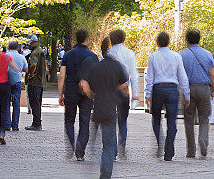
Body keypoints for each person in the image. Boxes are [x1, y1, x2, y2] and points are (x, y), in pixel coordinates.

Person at [81, 37, 129, 179]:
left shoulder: (95, 68)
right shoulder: (117, 66)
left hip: (97, 108)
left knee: (94, 139)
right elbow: (124, 85)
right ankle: (105, 173)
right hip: (110, 109)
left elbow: (85, 85)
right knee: (108, 145)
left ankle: (90, 158)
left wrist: (92, 96)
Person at [145, 31, 190, 161]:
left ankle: (160, 141)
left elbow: (150, 77)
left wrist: (148, 94)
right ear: (168, 42)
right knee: (172, 121)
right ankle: (169, 151)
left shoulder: (153, 56)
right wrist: (186, 94)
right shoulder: (176, 56)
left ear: (157, 43)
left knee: (156, 119)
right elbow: (182, 76)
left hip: (158, 89)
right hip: (172, 89)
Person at [180, 28, 214, 159]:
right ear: (199, 39)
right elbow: (212, 74)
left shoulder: (181, 55)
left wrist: (181, 92)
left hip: (188, 89)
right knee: (204, 118)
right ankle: (203, 139)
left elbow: (179, 75)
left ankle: (191, 150)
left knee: (189, 119)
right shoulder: (207, 54)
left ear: (187, 40)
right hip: (204, 89)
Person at [59, 29, 97, 160]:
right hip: (87, 91)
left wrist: (60, 94)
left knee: (69, 120)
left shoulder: (68, 55)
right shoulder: (93, 56)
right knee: (84, 121)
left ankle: (71, 144)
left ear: (76, 39)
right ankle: (80, 152)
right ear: (86, 39)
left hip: (70, 89)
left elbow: (62, 76)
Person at [107, 29, 139, 159]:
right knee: (123, 120)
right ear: (123, 39)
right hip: (124, 90)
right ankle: (122, 143)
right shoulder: (130, 53)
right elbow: (134, 76)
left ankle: (113, 149)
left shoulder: (106, 53)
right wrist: (135, 95)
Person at [24, 35, 49, 131]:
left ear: (35, 42)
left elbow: (33, 64)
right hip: (39, 82)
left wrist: (30, 74)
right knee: (37, 103)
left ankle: (37, 123)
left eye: (30, 43)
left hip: (35, 82)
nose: (28, 45)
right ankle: (36, 123)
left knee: (34, 103)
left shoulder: (35, 53)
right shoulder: (40, 50)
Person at [6, 41, 27, 131]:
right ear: (18, 48)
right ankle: (15, 125)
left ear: (8, 47)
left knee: (6, 104)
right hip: (17, 82)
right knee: (16, 104)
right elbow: (26, 69)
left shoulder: (5, 56)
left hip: (6, 82)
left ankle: (7, 125)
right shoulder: (21, 57)